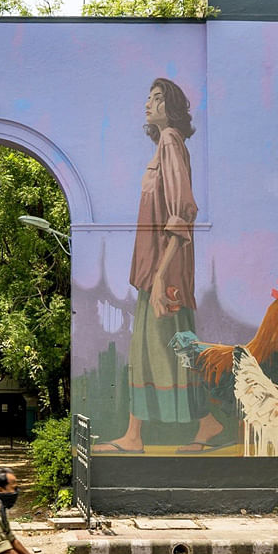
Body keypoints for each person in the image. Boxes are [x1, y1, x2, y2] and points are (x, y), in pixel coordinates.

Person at [94, 78, 224, 454]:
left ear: (171, 108)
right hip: (155, 272)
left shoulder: (170, 141)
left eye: (156, 99)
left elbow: (183, 211)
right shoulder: (165, 148)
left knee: (164, 348)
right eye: (147, 97)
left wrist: (162, 275)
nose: (147, 104)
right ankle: (199, 424)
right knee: (161, 349)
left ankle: (144, 435)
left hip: (164, 275)